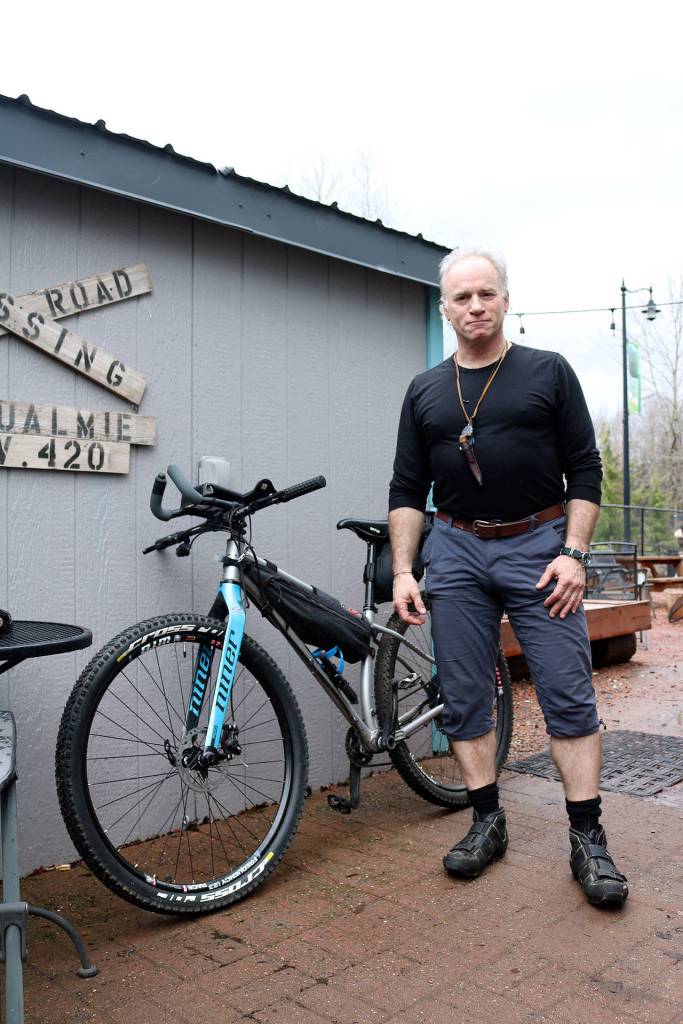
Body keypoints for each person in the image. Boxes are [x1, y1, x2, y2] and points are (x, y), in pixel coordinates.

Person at [388, 248, 628, 909]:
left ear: (505, 299)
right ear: (444, 307)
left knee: (567, 693)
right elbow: (407, 487)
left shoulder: (547, 372)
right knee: (464, 695)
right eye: (461, 297)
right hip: (455, 551)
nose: (475, 306)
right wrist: (404, 569)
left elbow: (585, 468)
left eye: (485, 294)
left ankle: (587, 837)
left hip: (538, 547)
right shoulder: (424, 390)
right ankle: (486, 820)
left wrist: (573, 553)